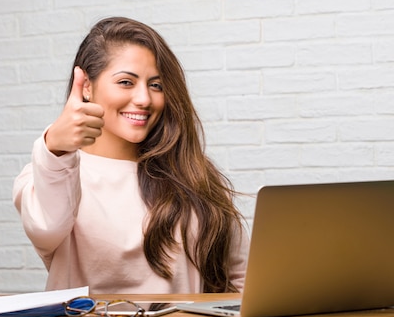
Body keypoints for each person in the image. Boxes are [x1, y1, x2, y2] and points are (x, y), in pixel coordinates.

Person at [13, 17, 249, 294]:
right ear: (87, 86)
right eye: (126, 82)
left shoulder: (192, 173)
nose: (144, 99)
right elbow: (46, 227)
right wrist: (55, 146)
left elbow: (243, 277)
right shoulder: (48, 173)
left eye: (156, 85)